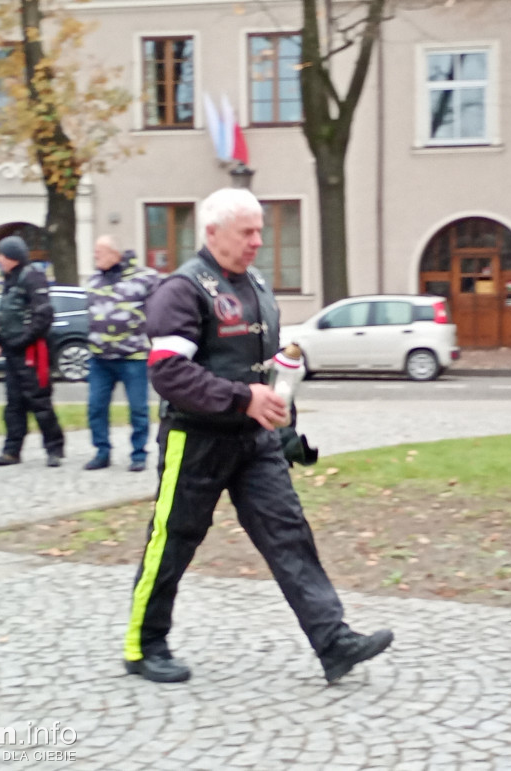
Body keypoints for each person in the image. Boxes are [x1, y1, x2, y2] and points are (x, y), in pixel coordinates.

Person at [123, 187, 392, 684]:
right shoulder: (182, 290)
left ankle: (332, 641)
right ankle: (144, 644)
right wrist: (242, 397)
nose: (258, 241)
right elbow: (168, 373)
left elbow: (266, 367)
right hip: (196, 438)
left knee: (289, 533)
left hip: (254, 441)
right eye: (247, 232)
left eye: (260, 231)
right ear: (212, 233)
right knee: (174, 541)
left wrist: (283, 417)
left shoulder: (257, 284)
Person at [84, 236, 159, 473]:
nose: (96, 256)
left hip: (133, 357)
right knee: (96, 407)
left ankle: (139, 454)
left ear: (115, 254)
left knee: (138, 408)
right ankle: (102, 452)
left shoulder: (144, 278)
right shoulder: (93, 280)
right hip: (99, 358)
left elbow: (161, 307)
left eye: (100, 252)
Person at [0, 236, 65, 467]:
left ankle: (55, 449)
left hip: (32, 352)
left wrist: (23, 340)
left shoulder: (33, 277)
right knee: (13, 404)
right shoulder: (9, 279)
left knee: (39, 402)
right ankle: (12, 451)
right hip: (13, 352)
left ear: (12, 256)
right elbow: (7, 315)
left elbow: (44, 314)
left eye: (0, 254)